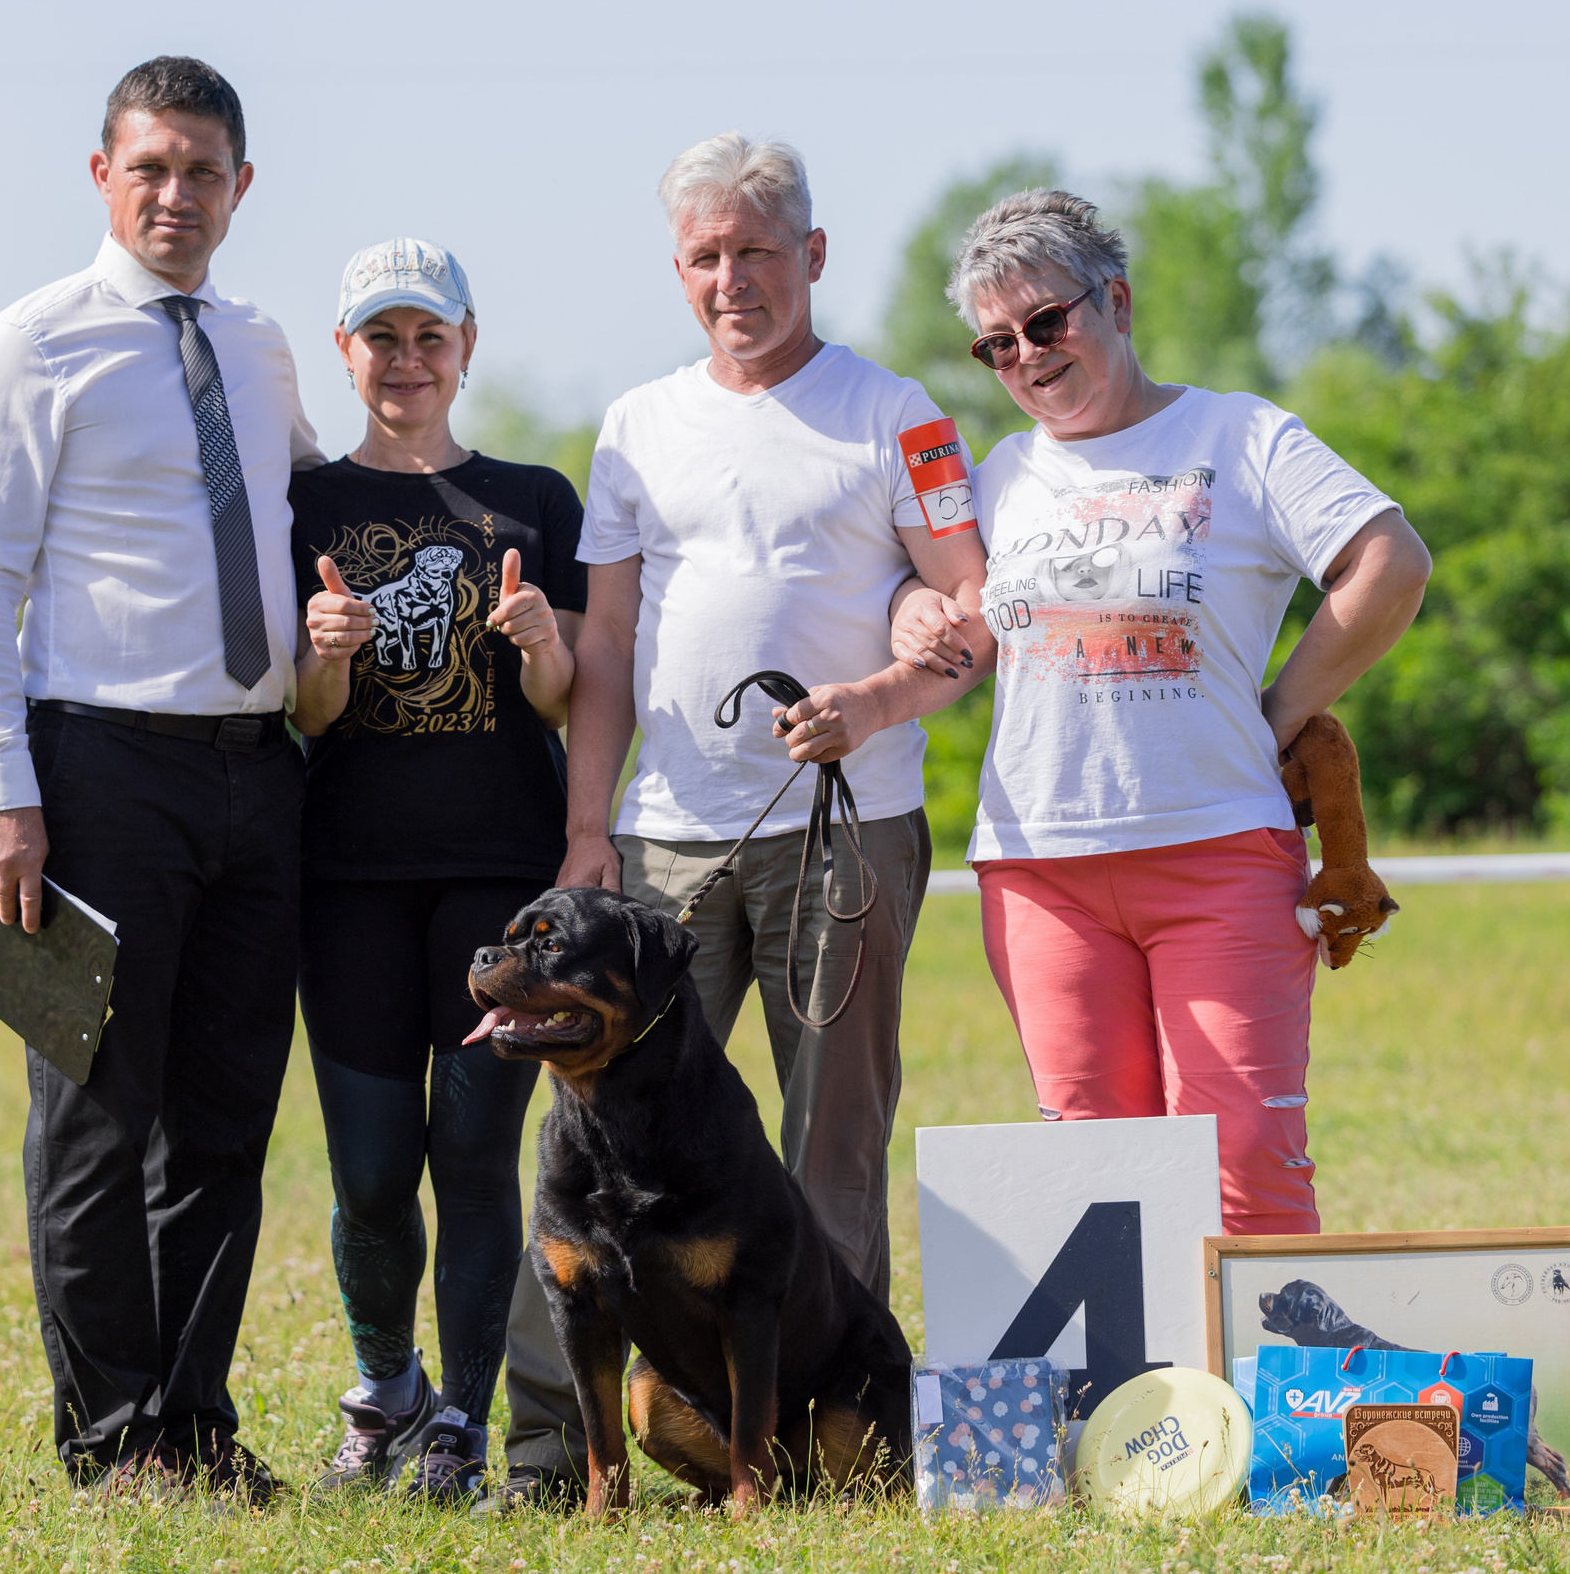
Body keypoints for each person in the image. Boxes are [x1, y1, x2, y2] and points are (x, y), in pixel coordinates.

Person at [491, 132, 996, 1510]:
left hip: (849, 831)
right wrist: (589, 827)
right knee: (589, 1143)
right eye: (706, 256)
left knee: (831, 1137)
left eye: (758, 251)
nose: (733, 278)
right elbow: (607, 641)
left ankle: (839, 1443)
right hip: (664, 841)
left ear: (813, 256)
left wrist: (877, 702)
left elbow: (972, 617)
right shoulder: (634, 425)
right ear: (678, 269)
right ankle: (559, 1453)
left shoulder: (900, 415)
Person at [888, 189, 1430, 1234]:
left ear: (1117, 301)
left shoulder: (1238, 432)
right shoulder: (999, 474)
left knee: (1246, 1153)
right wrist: (915, 604)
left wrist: (1277, 711)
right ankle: (1136, 1403)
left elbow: (1388, 562)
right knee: (1098, 1174)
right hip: (1037, 866)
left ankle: (1273, 1398)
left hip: (1217, 847)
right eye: (996, 345)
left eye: (1048, 321)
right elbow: (953, 614)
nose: (1029, 356)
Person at [0, 57, 322, 1500]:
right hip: (94, 772)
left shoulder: (264, 345)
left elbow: (307, 519)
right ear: (102, 173)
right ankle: (111, 1446)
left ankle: (195, 1427)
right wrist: (0, 786)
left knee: (226, 1121)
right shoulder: (29, 345)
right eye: (150, 166)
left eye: (203, 169)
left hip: (258, 776)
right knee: (98, 1120)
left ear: (242, 186)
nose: (176, 194)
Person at [285, 239, 585, 1506]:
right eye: (380, 339)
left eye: (430, 337)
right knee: (364, 1167)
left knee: (472, 1155)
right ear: (345, 351)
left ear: (467, 346)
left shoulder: (534, 499)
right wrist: (330, 653)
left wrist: (535, 641)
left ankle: (462, 1417)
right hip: (344, 878)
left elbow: (569, 699)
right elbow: (298, 715)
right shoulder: (301, 507)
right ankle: (385, 1390)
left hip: (497, 879)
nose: (406, 362)